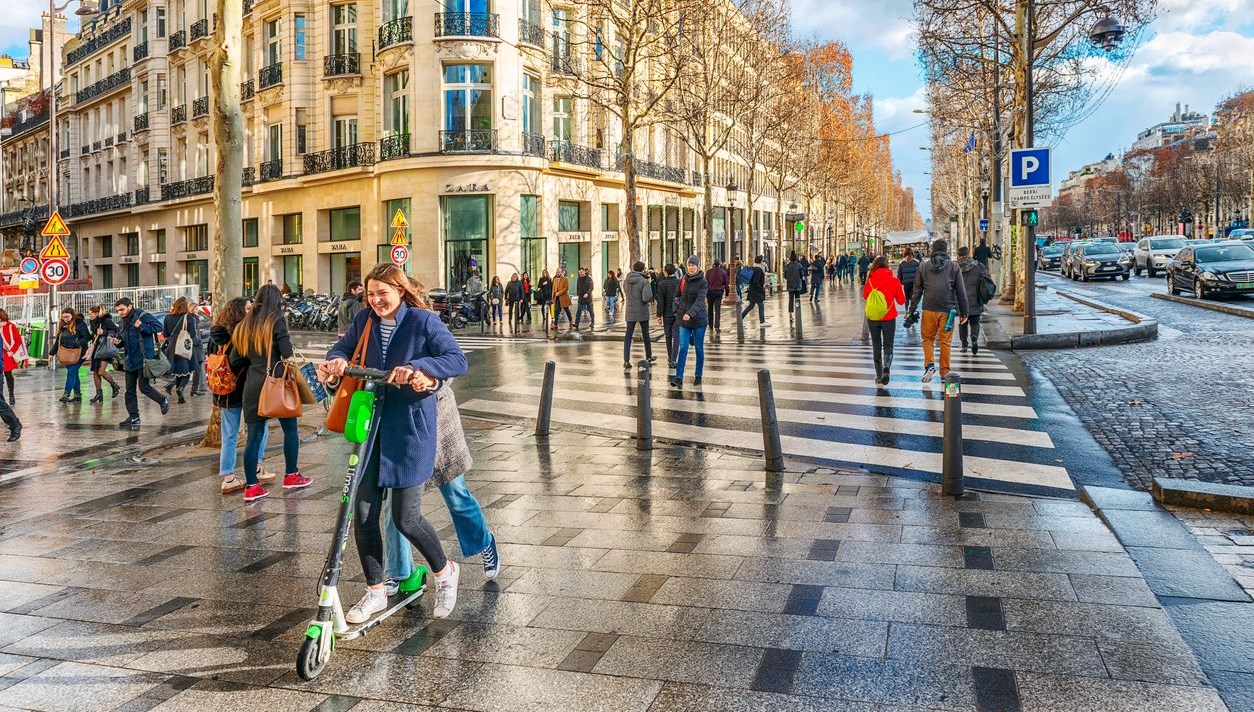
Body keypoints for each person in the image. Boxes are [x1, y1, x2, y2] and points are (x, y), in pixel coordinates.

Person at [318, 263, 468, 624]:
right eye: (370, 294)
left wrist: (420, 368)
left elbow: (456, 359)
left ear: (400, 291)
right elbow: (341, 348)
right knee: (364, 514)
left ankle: (445, 572)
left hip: (411, 429)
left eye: (382, 293)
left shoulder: (422, 321)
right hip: (371, 429)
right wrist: (335, 362)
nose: (375, 300)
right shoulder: (364, 321)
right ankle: (375, 591)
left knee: (406, 518)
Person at [384, 380, 500, 592]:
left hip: (438, 418)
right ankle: (397, 571)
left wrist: (427, 379)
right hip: (404, 423)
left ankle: (484, 541)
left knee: (456, 494)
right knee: (396, 503)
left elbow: (450, 363)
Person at [231, 284, 311, 501]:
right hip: (276, 382)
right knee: (291, 431)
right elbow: (286, 352)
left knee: (253, 438)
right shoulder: (276, 320)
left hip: (253, 385)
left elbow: (234, 360)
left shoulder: (243, 325)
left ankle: (251, 487)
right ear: (277, 301)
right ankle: (291, 475)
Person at [211, 297, 274, 494]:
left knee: (229, 434)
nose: (251, 311)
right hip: (244, 389)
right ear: (239, 311)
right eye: (248, 308)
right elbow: (238, 360)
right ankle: (257, 467)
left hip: (222, 391)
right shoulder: (241, 333)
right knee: (259, 429)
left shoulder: (216, 333)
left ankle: (228, 477)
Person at [907, 239, 969, 382]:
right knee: (945, 342)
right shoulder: (954, 267)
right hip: (948, 311)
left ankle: (929, 364)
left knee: (927, 338)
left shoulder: (923, 267)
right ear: (946, 251)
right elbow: (961, 291)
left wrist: (912, 309)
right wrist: (964, 312)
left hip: (928, 309)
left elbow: (917, 291)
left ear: (932, 251)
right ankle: (944, 373)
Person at [112, 297, 169, 427]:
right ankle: (134, 416)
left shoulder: (142, 316)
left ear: (130, 307)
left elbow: (158, 326)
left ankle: (162, 400)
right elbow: (122, 339)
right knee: (129, 389)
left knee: (144, 387)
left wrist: (142, 326)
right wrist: (118, 342)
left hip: (143, 358)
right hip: (129, 359)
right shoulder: (122, 322)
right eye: (118, 310)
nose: (120, 312)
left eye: (122, 309)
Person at [863, 256, 906, 386]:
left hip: (873, 318)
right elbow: (901, 301)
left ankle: (878, 376)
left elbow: (865, 296)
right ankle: (886, 369)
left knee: (876, 345)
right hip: (889, 317)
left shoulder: (870, 280)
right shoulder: (894, 280)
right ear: (887, 266)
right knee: (888, 345)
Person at [670, 256, 708, 389]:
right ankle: (679, 377)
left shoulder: (703, 282)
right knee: (683, 347)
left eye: (694, 265)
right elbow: (676, 295)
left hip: (698, 320)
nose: (691, 267)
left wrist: (689, 313)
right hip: (683, 320)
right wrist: (677, 308)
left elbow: (700, 301)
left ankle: (698, 375)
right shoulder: (683, 279)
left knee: (698, 348)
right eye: (689, 265)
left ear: (698, 266)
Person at [162, 297, 200, 404]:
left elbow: (165, 334)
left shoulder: (168, 318)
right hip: (185, 347)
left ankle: (180, 398)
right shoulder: (189, 318)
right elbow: (193, 335)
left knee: (179, 372)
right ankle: (181, 388)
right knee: (188, 371)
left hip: (173, 348)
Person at [957, 246, 990, 355]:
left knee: (963, 323)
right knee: (975, 322)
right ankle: (974, 338)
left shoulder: (955, 267)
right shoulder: (978, 266)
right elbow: (987, 278)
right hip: (975, 299)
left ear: (958, 255)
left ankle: (964, 345)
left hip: (960, 301)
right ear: (968, 253)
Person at [622, 261, 655, 369]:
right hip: (642, 310)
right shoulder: (644, 281)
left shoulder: (626, 280)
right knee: (645, 334)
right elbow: (646, 297)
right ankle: (649, 356)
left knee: (628, 336)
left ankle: (626, 360)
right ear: (642, 269)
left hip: (630, 310)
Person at [52, 308, 89, 403]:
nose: (65, 319)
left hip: (79, 353)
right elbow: (58, 341)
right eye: (63, 317)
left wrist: (77, 343)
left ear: (73, 315)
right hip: (66, 354)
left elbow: (87, 337)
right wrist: (51, 353)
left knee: (72, 372)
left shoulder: (80, 324)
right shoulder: (62, 325)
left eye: (67, 316)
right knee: (74, 374)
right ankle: (77, 395)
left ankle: (66, 394)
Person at [86, 305, 120, 404]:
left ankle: (114, 385)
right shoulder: (93, 321)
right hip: (96, 348)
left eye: (91, 314)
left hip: (104, 348)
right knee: (95, 372)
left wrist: (104, 332)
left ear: (97, 313)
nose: (89, 316)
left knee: (101, 371)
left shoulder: (106, 321)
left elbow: (116, 330)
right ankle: (98, 394)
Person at [655, 264, 680, 366]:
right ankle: (674, 358)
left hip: (667, 313)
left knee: (668, 336)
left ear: (665, 272)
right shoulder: (679, 282)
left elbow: (660, 300)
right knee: (676, 335)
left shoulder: (662, 284)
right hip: (678, 313)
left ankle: (670, 357)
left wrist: (659, 315)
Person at [0, 309, 23, 404]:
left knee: (8, 375)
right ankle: (1, 398)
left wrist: (12, 352)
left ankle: (11, 395)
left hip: (6, 354)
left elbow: (18, 341)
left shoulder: (10, 326)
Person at [740, 255, 769, 327]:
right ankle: (762, 322)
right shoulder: (758, 270)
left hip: (752, 290)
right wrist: (761, 288)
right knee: (761, 305)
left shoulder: (753, 268)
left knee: (751, 305)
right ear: (761, 262)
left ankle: (740, 318)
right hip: (757, 291)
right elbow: (756, 281)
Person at [705, 260, 728, 333]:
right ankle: (717, 326)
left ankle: (711, 326)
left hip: (710, 292)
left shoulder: (708, 272)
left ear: (713, 264)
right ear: (720, 265)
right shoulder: (723, 272)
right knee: (717, 310)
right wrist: (727, 292)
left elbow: (706, 282)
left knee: (710, 309)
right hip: (718, 292)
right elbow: (726, 283)